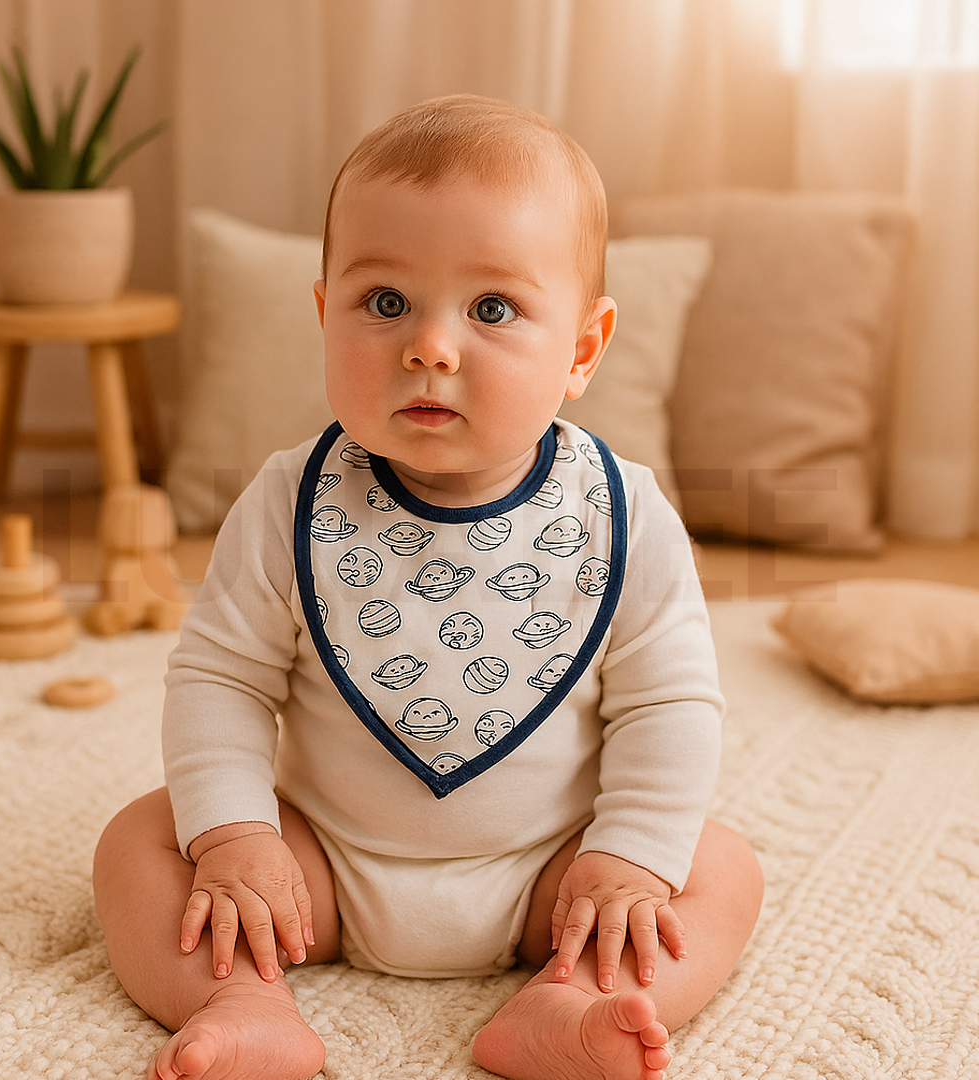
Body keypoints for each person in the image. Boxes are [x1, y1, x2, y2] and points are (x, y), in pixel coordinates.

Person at [93, 94, 763, 1080]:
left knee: (715, 869)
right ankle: (244, 1001)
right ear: (327, 315)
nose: (430, 346)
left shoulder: (624, 515)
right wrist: (238, 837)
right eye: (385, 302)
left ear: (581, 348)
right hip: (315, 868)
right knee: (141, 842)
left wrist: (626, 859)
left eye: (492, 309)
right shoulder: (288, 501)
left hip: (554, 878)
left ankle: (568, 1004)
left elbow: (671, 701)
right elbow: (220, 678)